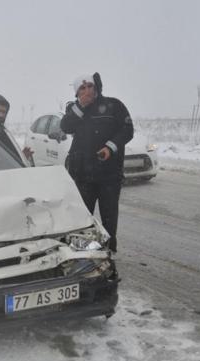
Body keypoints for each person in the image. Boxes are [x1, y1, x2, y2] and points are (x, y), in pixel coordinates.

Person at [60, 73, 133, 253]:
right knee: (83, 219)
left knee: (109, 218)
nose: (87, 91)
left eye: (90, 86)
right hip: (83, 176)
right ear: (76, 93)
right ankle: (83, 253)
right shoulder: (76, 110)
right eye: (82, 88)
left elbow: (128, 130)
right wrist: (80, 107)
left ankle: (108, 252)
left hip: (109, 176)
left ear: (97, 87)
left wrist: (110, 147)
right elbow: (65, 126)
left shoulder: (113, 106)